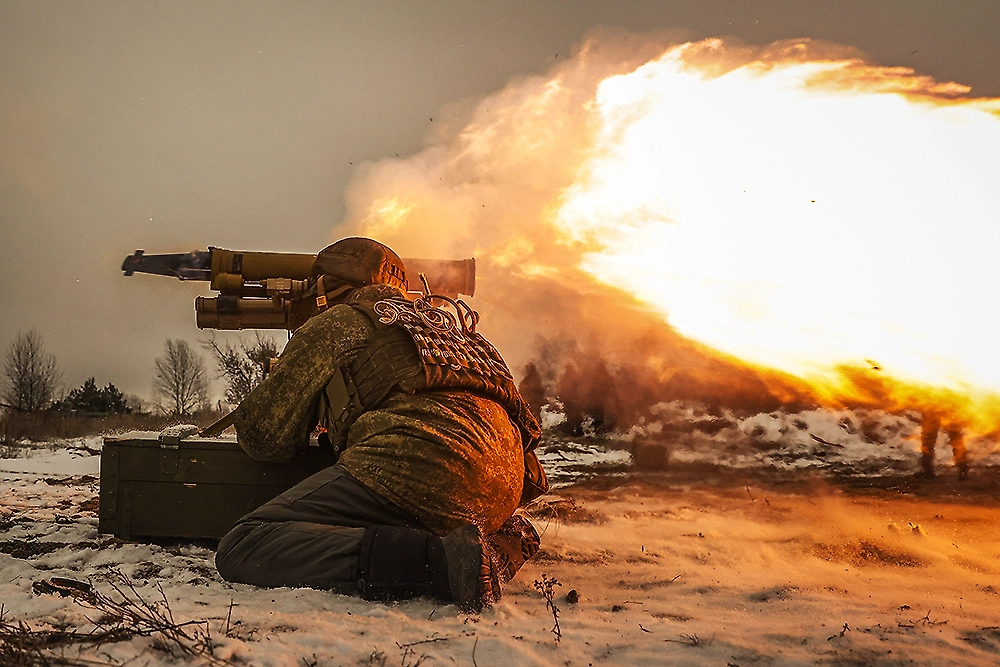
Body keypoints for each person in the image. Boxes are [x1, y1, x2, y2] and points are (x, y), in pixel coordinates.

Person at [214, 237, 548, 610]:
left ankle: (437, 562)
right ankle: (500, 543)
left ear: (323, 286)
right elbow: (529, 439)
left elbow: (263, 436)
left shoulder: (341, 321)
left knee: (245, 545)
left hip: (416, 472)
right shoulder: (455, 331)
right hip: (500, 491)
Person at [919, 411, 968, 480]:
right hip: (948, 408)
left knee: (928, 439)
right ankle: (963, 469)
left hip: (934, 407)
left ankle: (927, 470)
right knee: (956, 439)